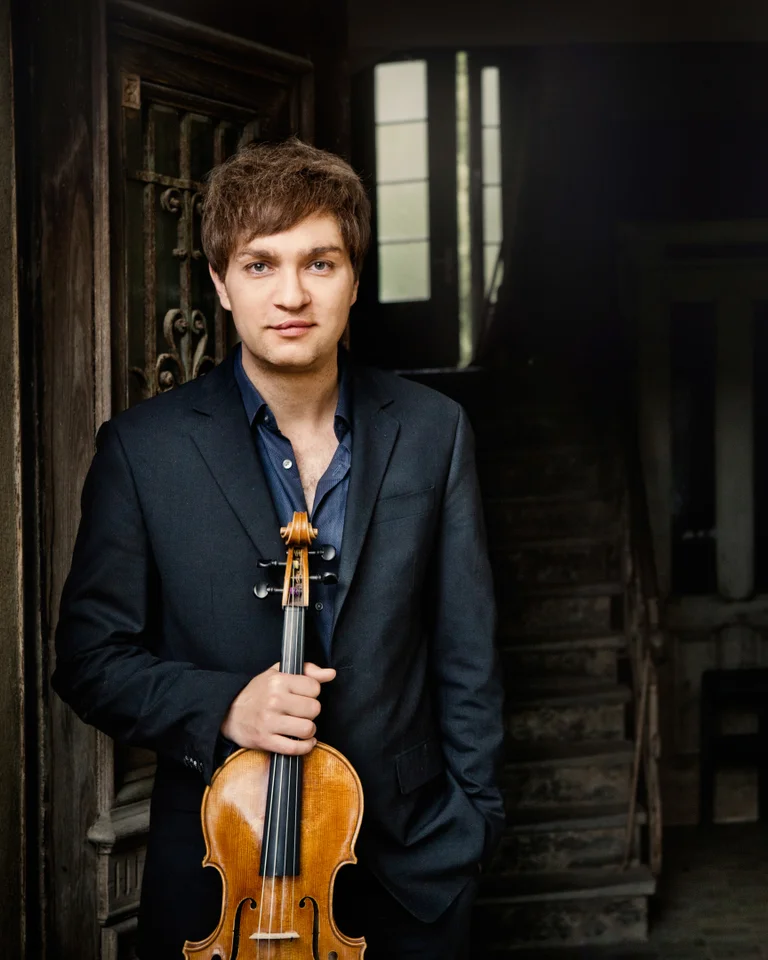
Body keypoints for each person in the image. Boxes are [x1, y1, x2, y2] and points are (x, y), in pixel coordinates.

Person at [53, 138, 505, 960]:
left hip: (414, 867)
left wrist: (472, 826)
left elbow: (466, 651)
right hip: (230, 873)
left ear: (355, 279)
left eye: (319, 263)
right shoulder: (143, 451)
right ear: (221, 284)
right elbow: (88, 659)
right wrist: (226, 706)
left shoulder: (434, 432)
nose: (292, 294)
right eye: (261, 265)